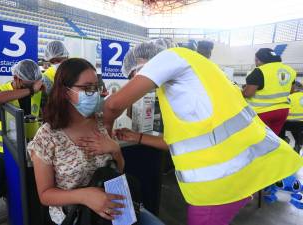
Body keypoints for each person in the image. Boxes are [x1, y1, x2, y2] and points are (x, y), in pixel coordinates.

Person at [99, 42, 302, 225]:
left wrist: (105, 134)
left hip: (219, 183)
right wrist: (138, 137)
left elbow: (113, 104)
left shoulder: (170, 56)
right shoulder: (192, 79)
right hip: (239, 175)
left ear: (143, 62)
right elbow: (176, 142)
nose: (136, 82)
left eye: (134, 76)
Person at [27, 58, 164, 225]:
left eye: (96, 87)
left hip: (114, 211)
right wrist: (85, 196)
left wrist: (115, 149)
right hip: (76, 217)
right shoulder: (46, 137)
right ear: (65, 91)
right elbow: (45, 195)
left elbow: (118, 170)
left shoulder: (101, 123)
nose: (95, 93)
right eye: (87, 88)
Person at [0, 59, 46, 199]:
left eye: (33, 84)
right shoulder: (2, 90)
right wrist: (29, 90)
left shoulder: (38, 92)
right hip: (7, 151)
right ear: (15, 78)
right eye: (27, 84)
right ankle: (10, 192)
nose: (31, 87)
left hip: (34, 149)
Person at [242, 48, 296, 135]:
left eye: (256, 60)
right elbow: (291, 91)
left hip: (262, 112)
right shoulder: (290, 70)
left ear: (259, 60)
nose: (255, 63)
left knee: (256, 137)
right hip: (283, 111)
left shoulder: (259, 71)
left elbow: (248, 93)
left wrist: (241, 91)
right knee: (272, 138)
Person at [280, 82, 303, 154]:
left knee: (280, 125)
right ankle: (298, 143)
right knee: (298, 131)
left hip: (288, 123)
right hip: (301, 124)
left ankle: (283, 139)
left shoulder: (287, 97)